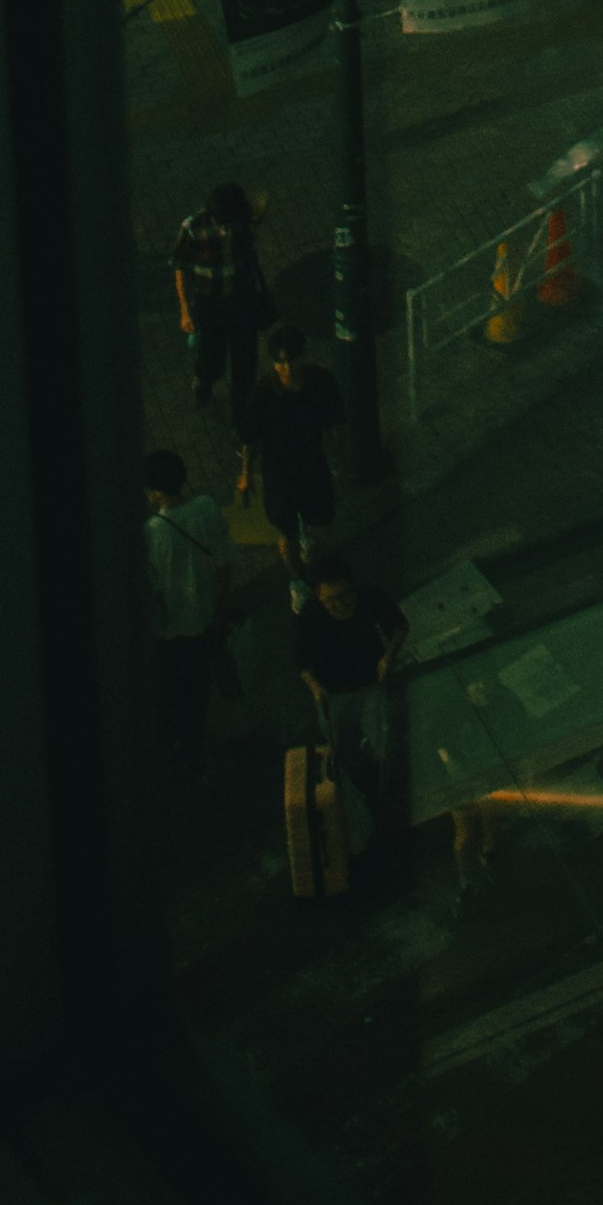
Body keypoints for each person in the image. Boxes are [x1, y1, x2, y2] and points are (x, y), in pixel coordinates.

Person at [293, 562, 397, 858]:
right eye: (331, 600)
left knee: (383, 746)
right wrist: (316, 688)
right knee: (346, 756)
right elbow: (302, 664)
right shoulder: (311, 618)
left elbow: (399, 626)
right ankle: (363, 815)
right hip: (336, 696)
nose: (340, 605)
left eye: (345, 596)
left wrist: (388, 657)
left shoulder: (370, 599)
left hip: (370, 688)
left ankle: (386, 803)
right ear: (319, 597)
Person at [143, 448, 234, 773]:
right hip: (207, 619)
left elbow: (151, 589)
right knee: (198, 685)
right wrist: (221, 608)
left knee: (172, 688)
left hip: (171, 630)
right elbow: (223, 562)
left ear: (153, 492)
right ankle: (194, 741)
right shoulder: (206, 508)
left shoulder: (151, 533)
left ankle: (180, 745)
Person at [238, 326, 340, 569]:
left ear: (302, 357)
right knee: (286, 531)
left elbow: (337, 427)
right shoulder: (262, 393)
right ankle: (297, 579)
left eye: (292, 361)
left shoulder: (321, 382)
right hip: (278, 473)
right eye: (280, 363)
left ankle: (317, 564)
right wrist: (246, 474)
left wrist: (341, 462)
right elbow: (249, 439)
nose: (287, 370)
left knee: (320, 520)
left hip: (313, 465)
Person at [171, 182, 270, 415]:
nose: (226, 229)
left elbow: (264, 201)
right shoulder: (193, 227)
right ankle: (204, 381)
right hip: (208, 301)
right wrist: (185, 311)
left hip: (241, 298)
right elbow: (180, 269)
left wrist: (250, 205)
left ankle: (242, 415)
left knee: (245, 362)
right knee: (211, 356)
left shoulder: (243, 219)